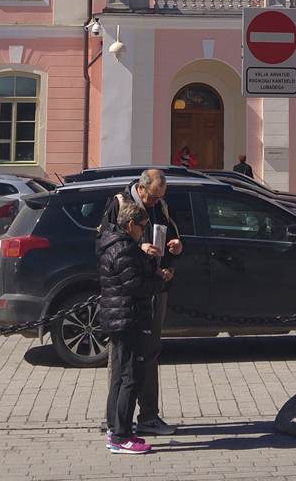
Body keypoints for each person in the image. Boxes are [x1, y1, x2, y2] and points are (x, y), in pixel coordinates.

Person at [105, 169, 183, 435]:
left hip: (154, 286)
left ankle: (148, 416)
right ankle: (117, 422)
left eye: (158, 198)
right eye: (151, 197)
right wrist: (139, 249)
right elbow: (109, 243)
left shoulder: (161, 206)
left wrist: (176, 248)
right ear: (140, 188)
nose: (153, 203)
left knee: (149, 353)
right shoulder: (119, 203)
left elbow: (172, 234)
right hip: (131, 291)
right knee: (124, 360)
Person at [98, 199, 169, 455]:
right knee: (130, 377)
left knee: (119, 376)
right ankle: (121, 435)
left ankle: (114, 427)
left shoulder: (114, 243)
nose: (143, 231)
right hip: (126, 318)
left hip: (116, 317)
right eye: (141, 226)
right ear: (130, 225)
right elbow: (135, 286)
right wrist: (159, 282)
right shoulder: (124, 249)